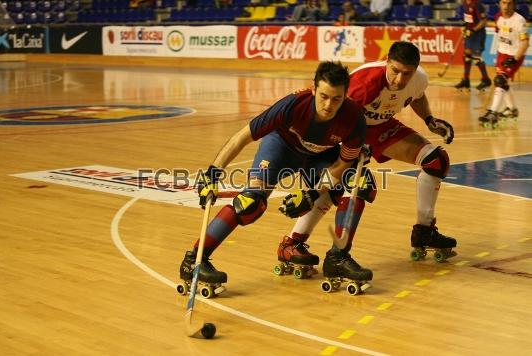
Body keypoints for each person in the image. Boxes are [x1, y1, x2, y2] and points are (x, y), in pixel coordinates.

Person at [178, 61, 369, 288]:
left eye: (336, 99)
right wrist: (212, 173)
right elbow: (242, 136)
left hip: (319, 158)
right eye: (324, 96)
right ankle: (195, 261)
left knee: (359, 182)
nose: (328, 105)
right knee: (250, 203)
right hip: (281, 149)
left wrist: (311, 193)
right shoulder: (292, 105)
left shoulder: (354, 118)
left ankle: (337, 257)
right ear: (314, 89)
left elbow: (343, 163)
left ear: (346, 96)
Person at [281, 42, 457, 269]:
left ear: (415, 70)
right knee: (348, 185)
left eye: (407, 73)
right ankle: (294, 243)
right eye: (395, 71)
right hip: (347, 129)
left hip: (381, 126)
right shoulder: (364, 85)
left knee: (436, 161)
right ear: (386, 61)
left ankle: (424, 231)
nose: (399, 80)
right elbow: (334, 115)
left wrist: (430, 120)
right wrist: (348, 146)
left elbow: (417, 95)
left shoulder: (418, 79)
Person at [478, 0, 529, 126]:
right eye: (504, 3)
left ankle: (493, 112)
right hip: (502, 54)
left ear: (514, 5)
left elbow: (525, 43)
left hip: (514, 55)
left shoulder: (519, 21)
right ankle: (512, 110)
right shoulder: (497, 17)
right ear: (499, 4)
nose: (506, 6)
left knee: (500, 81)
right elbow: (501, 33)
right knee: (502, 83)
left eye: (509, 3)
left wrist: (514, 58)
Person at [455, 0, 492, 91]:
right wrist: (465, 26)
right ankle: (466, 80)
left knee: (476, 58)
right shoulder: (464, 3)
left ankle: (486, 80)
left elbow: (484, 21)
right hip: (469, 34)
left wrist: (473, 30)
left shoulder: (477, 4)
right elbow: (468, 19)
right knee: (466, 56)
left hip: (478, 34)